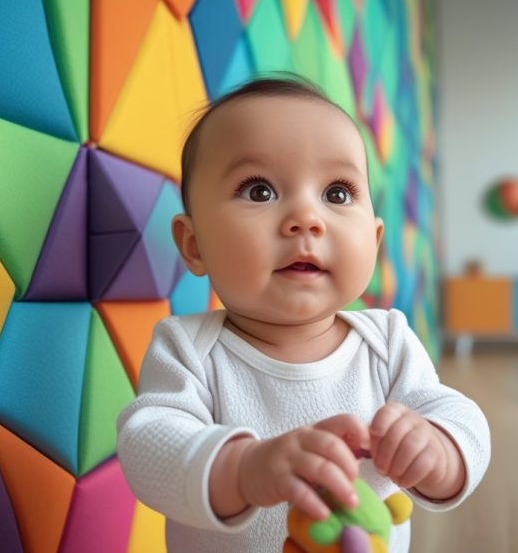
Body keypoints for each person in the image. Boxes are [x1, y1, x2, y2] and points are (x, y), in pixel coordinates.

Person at [117, 76, 490, 552]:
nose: (306, 219)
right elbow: (147, 446)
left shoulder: (387, 341)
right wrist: (243, 468)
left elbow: (460, 417)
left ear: (374, 241)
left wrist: (438, 448)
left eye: (337, 193)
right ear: (194, 245)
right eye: (259, 191)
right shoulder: (188, 350)